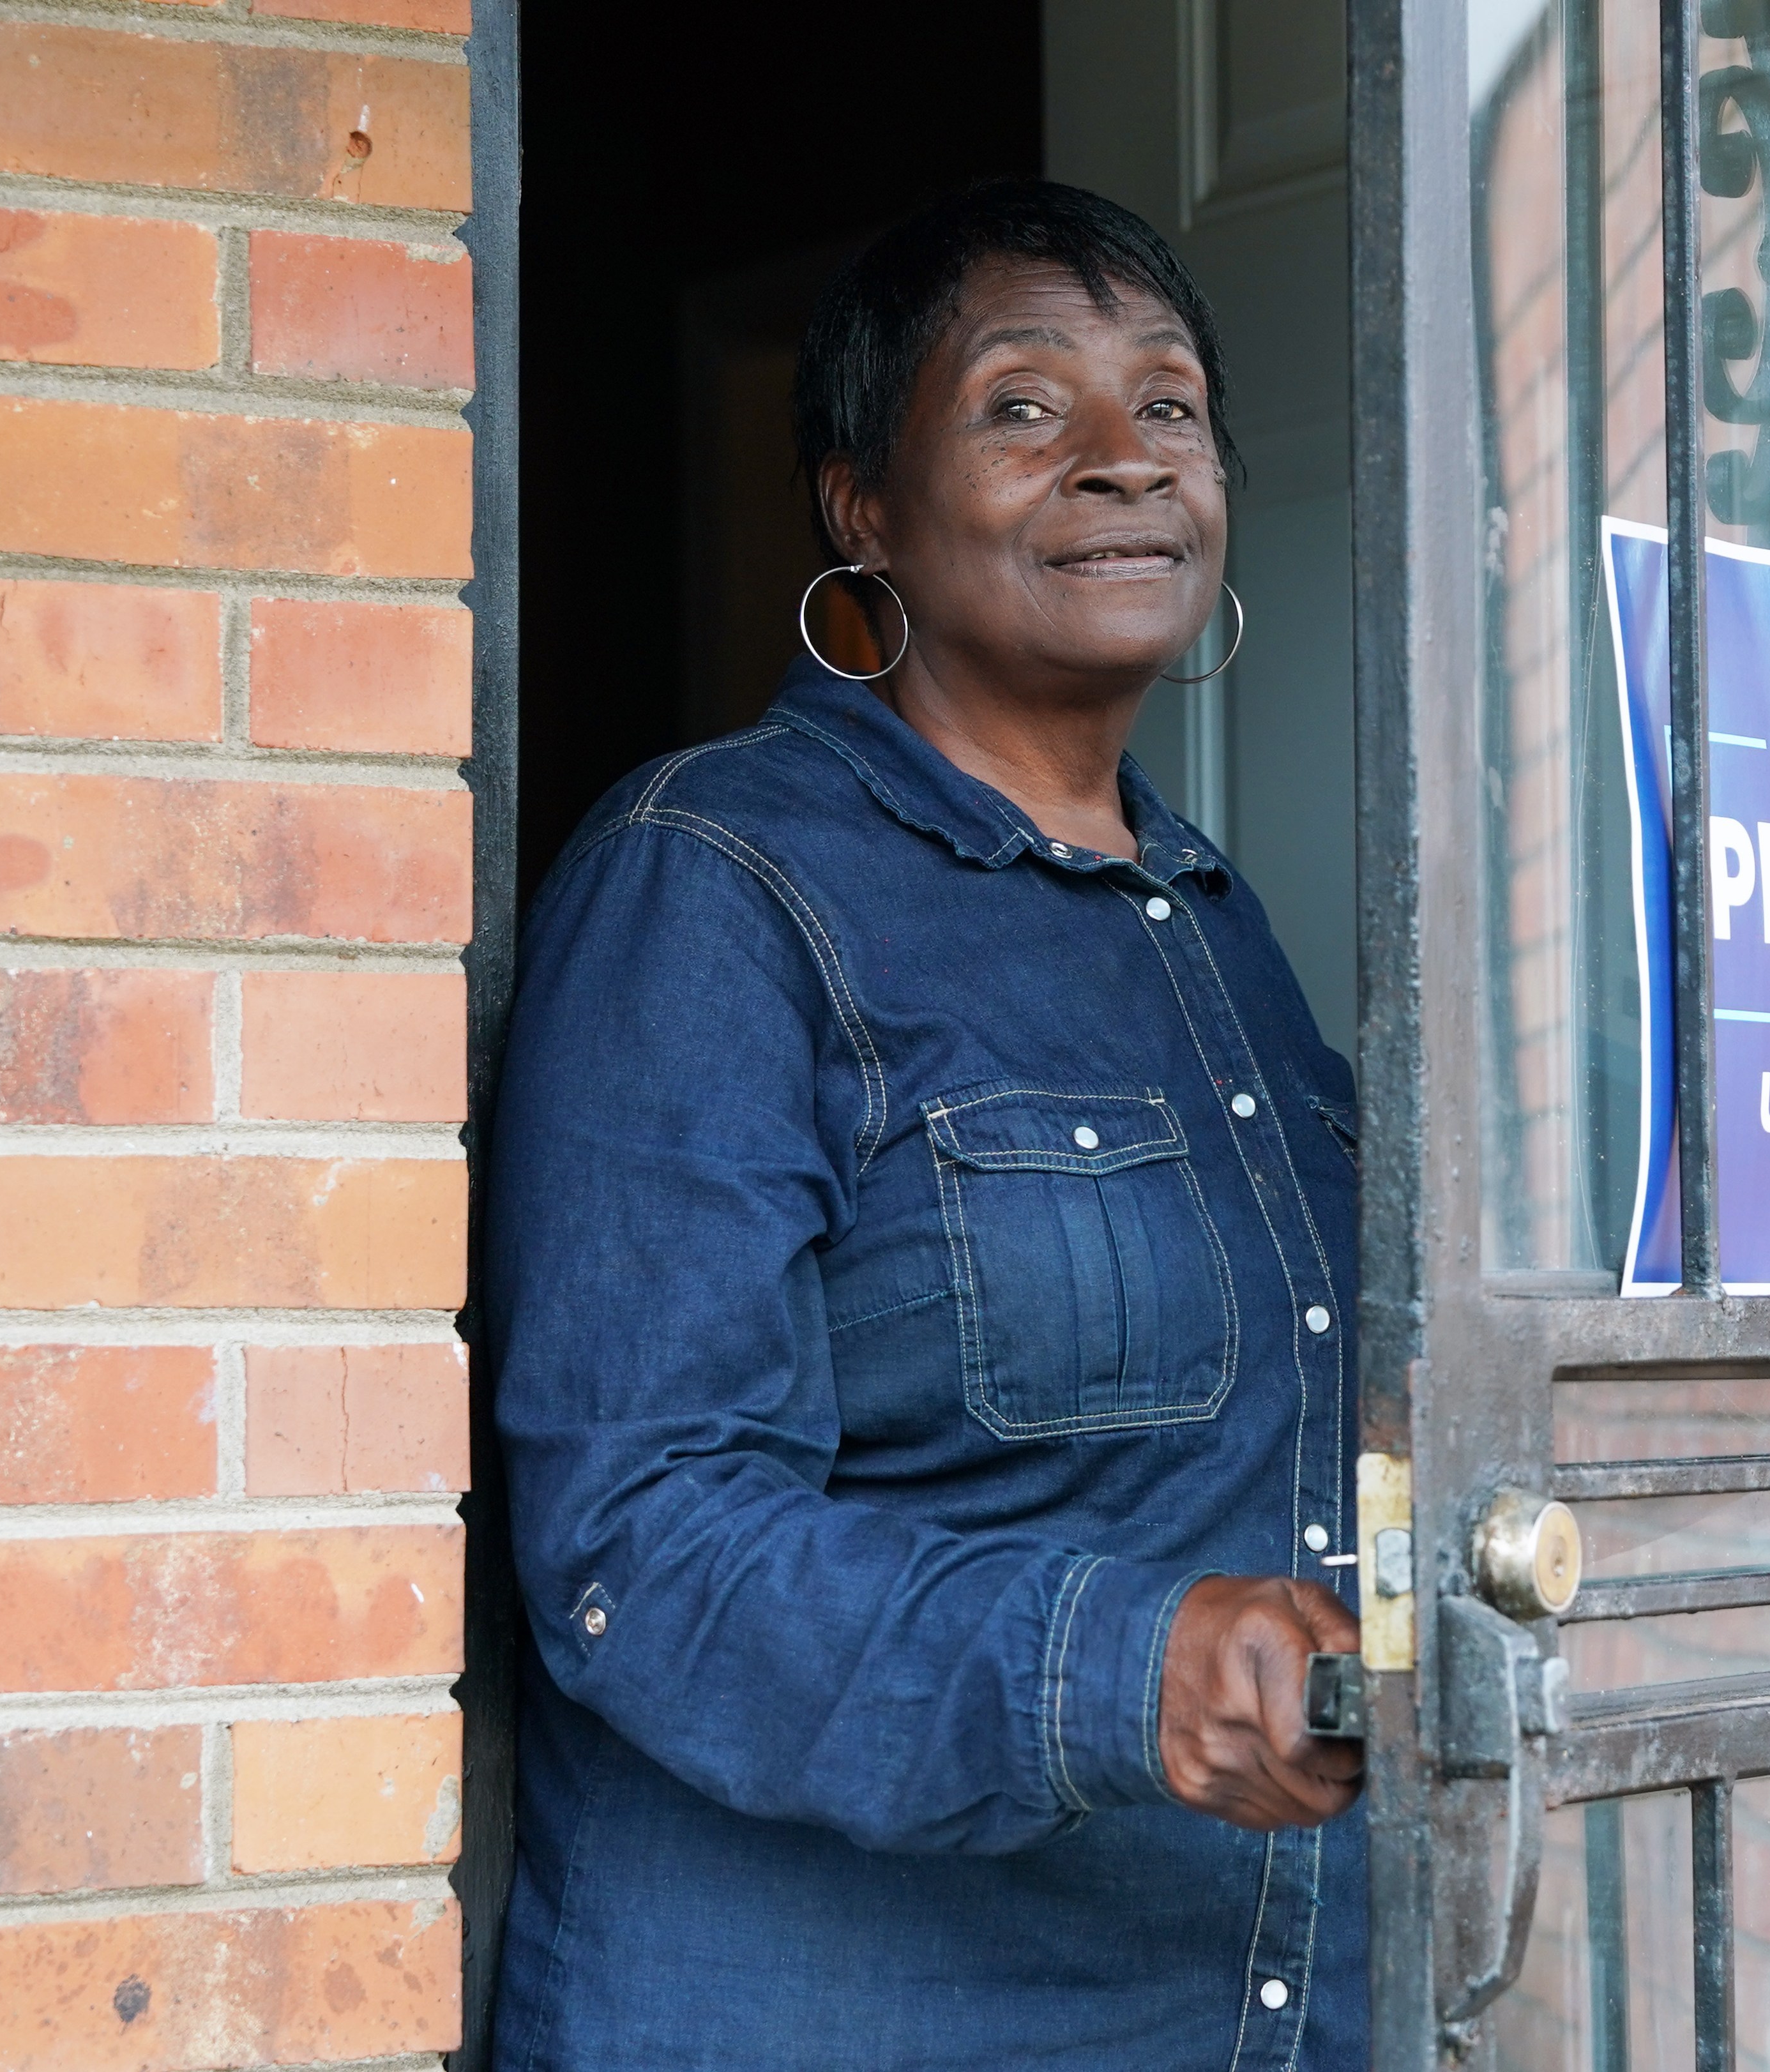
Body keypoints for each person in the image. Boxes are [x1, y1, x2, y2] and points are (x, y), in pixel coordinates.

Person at [485, 181, 1369, 2071]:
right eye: (1025, 407)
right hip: (847, 2014)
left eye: (1173, 407)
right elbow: (640, 1534)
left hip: (1231, 2004)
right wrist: (1127, 1671)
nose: (1129, 462)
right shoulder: (715, 881)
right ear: (859, 508)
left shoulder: (1215, 928)